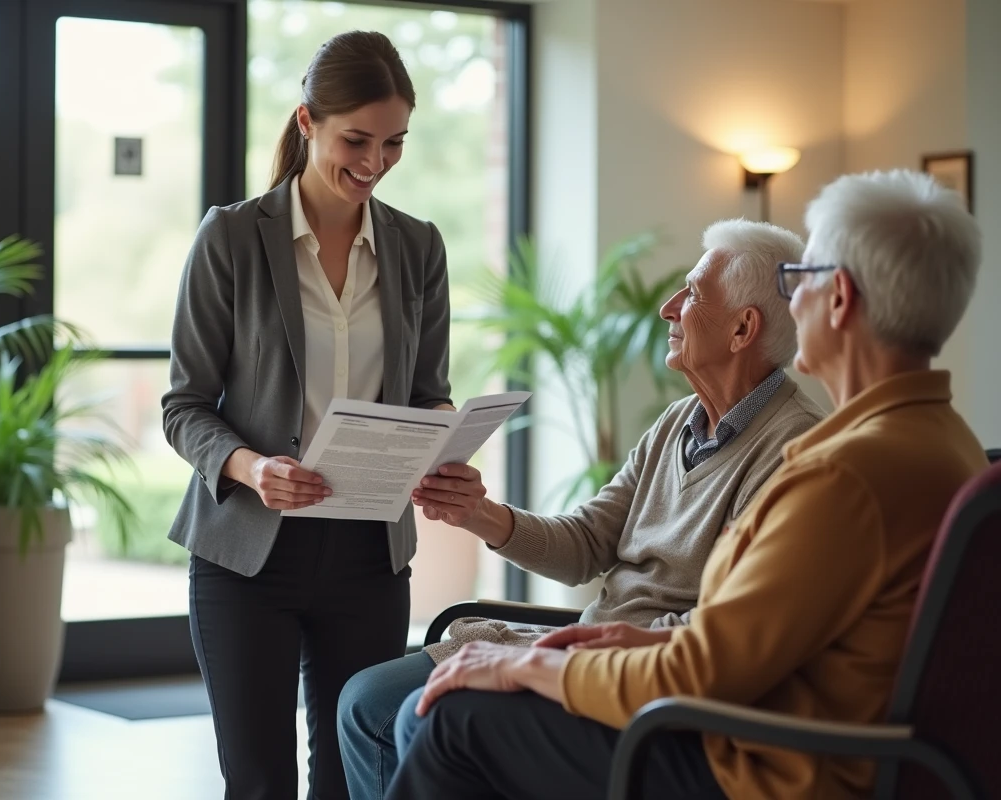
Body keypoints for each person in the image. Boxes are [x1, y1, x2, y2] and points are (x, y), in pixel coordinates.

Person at [385, 169, 988, 800]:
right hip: (815, 744)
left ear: (836, 299)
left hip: (762, 766)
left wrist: (526, 662)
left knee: (451, 721)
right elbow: (751, 637)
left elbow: (703, 669)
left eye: (798, 280)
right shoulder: (949, 447)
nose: (793, 301)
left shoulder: (840, 475)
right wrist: (611, 637)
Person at [337, 219, 826, 800]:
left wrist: (573, 655)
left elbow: (724, 637)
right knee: (365, 703)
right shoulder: (677, 422)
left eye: (692, 293)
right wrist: (479, 512)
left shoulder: (795, 452)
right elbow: (589, 542)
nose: (668, 308)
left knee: (430, 712)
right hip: (592, 644)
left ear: (744, 328)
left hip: (640, 677)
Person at [161, 31, 454, 800]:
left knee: (353, 779)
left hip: (369, 557)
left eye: (394, 143)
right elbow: (184, 404)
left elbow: (428, 390)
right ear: (306, 123)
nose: (375, 161)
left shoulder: (418, 247)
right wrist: (252, 468)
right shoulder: (230, 237)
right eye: (356, 139)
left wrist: (445, 438)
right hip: (246, 559)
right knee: (259, 781)